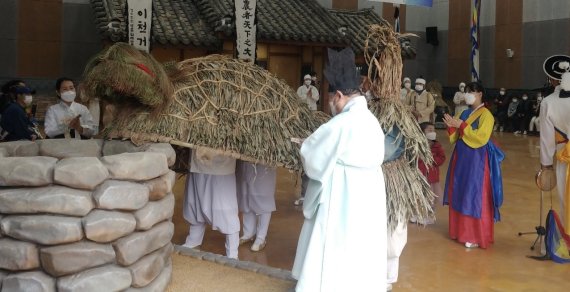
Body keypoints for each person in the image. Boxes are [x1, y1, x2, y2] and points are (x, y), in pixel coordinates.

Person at [292, 48, 387, 292]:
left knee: (333, 245)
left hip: (342, 195)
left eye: (332, 97)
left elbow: (314, 158)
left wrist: (305, 145)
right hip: (368, 195)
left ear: (340, 96)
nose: (331, 103)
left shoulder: (342, 123)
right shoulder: (372, 122)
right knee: (359, 246)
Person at [443, 81, 505, 249]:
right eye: (467, 92)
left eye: (472, 92)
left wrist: (461, 126)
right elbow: (455, 137)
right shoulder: (464, 112)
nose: (468, 94)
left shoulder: (487, 116)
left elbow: (481, 138)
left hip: (477, 160)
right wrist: (451, 127)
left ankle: (475, 235)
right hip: (461, 158)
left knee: (474, 194)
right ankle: (459, 231)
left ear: (480, 94)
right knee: (461, 191)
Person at [183, 148, 240, 259]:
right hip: (198, 163)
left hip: (221, 164)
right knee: (194, 203)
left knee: (224, 208)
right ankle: (193, 241)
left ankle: (232, 253)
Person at [539, 55, 570, 229]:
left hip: (565, 157)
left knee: (566, 199)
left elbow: (546, 139)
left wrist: (546, 165)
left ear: (552, 79)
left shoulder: (548, 102)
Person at [236, 160, 276, 252]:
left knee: (263, 197)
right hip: (245, 162)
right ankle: (249, 232)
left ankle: (261, 237)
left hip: (264, 162)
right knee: (245, 195)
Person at [418, 122, 446, 225]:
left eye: (433, 130)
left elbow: (442, 158)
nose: (432, 132)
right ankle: (417, 214)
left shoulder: (437, 146)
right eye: (429, 130)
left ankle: (430, 216)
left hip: (432, 178)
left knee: (431, 198)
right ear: (422, 132)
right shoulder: (418, 145)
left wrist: (431, 160)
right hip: (420, 177)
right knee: (419, 197)